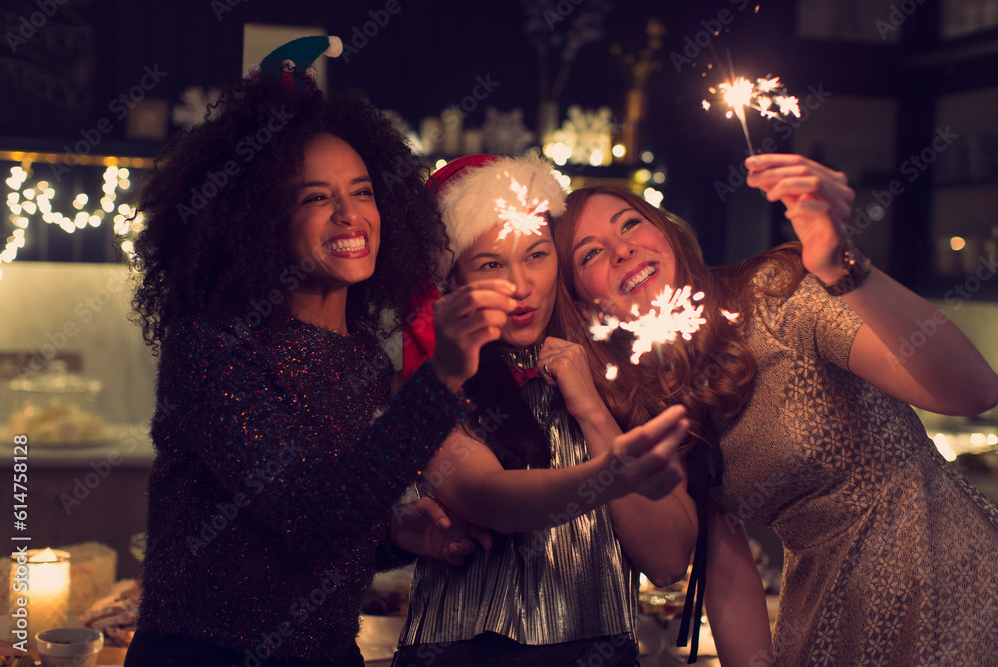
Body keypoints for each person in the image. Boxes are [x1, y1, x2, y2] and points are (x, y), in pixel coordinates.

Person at [124, 38, 511, 667]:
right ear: (255, 221)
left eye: (361, 191)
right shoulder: (211, 348)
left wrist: (396, 534)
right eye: (314, 198)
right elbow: (312, 513)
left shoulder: (362, 360)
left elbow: (334, 523)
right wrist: (440, 377)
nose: (349, 215)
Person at [554, 153, 998, 665]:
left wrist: (845, 268)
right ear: (589, 307)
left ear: (668, 234)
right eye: (591, 254)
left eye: (631, 223)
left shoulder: (778, 295)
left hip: (955, 590)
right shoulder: (652, 398)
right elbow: (714, 569)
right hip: (828, 627)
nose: (623, 249)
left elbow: (975, 391)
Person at [392, 154, 769, 666]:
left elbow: (666, 561)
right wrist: (609, 475)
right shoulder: (437, 379)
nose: (520, 286)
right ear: (454, 279)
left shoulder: (617, 376)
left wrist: (591, 408)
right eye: (490, 265)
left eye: (536, 255)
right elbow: (489, 499)